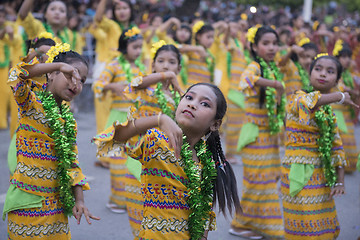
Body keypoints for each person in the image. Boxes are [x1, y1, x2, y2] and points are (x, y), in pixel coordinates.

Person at [93, 82, 241, 240]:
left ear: (215, 124)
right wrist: (158, 119)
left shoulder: (206, 163)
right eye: (189, 97)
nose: (192, 104)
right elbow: (113, 138)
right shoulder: (157, 141)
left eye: (204, 103)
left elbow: (204, 215)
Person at [3, 43, 100, 239]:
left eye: (81, 80)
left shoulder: (69, 121)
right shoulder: (30, 103)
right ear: (51, 74)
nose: (76, 84)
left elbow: (72, 163)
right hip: (28, 205)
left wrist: (79, 200)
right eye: (69, 75)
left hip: (56, 209)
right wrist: (56, 66)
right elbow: (16, 74)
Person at [281, 54, 358, 239]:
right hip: (298, 171)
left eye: (330, 71)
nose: (323, 74)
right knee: (304, 223)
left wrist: (340, 180)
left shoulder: (329, 112)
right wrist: (340, 96)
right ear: (310, 73)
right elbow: (307, 103)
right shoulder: (297, 97)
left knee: (324, 225)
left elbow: (336, 146)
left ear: (337, 79)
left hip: (322, 175)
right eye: (318, 69)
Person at [229, 26, 285, 240]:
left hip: (269, 135)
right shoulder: (254, 66)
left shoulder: (272, 68)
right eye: (266, 43)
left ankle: (251, 223)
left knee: (268, 180)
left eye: (274, 43)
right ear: (254, 46)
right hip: (254, 135)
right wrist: (275, 84)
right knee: (257, 182)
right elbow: (244, 80)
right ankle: (240, 224)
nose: (272, 48)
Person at [122, 41, 183, 239]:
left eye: (172, 63)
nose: (166, 66)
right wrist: (167, 76)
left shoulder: (181, 97)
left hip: (166, 168)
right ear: (153, 66)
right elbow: (135, 83)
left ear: (179, 68)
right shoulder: (145, 89)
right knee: (139, 222)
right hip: (139, 161)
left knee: (159, 223)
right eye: (161, 61)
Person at [93, 26, 146, 213]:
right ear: (124, 47)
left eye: (140, 47)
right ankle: (116, 200)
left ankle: (132, 197)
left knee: (134, 158)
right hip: (118, 117)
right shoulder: (114, 65)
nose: (138, 51)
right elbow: (98, 85)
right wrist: (112, 86)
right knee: (116, 160)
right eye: (135, 47)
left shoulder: (141, 67)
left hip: (136, 118)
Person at [332, 40, 360, 173]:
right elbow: (341, 88)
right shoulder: (334, 73)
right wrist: (353, 91)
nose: (347, 60)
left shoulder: (349, 74)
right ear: (337, 58)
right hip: (337, 112)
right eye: (343, 57)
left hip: (346, 113)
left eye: (348, 57)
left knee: (348, 142)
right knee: (339, 141)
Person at [17, 0, 83, 53]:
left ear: (66, 17)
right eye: (52, 9)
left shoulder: (68, 35)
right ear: (45, 14)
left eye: (62, 11)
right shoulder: (38, 27)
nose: (57, 12)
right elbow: (23, 15)